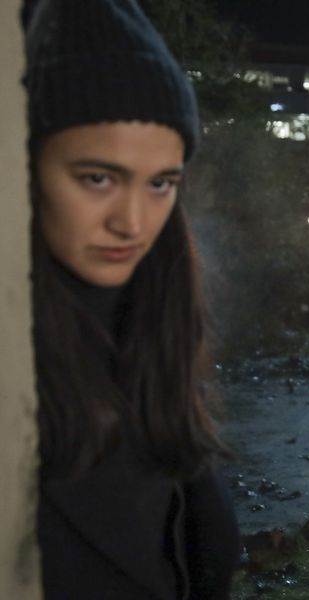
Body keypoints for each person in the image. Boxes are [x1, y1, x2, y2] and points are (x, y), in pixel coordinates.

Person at [24, 1, 240, 598]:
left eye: (160, 183)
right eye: (98, 178)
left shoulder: (156, 319)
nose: (133, 223)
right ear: (25, 168)